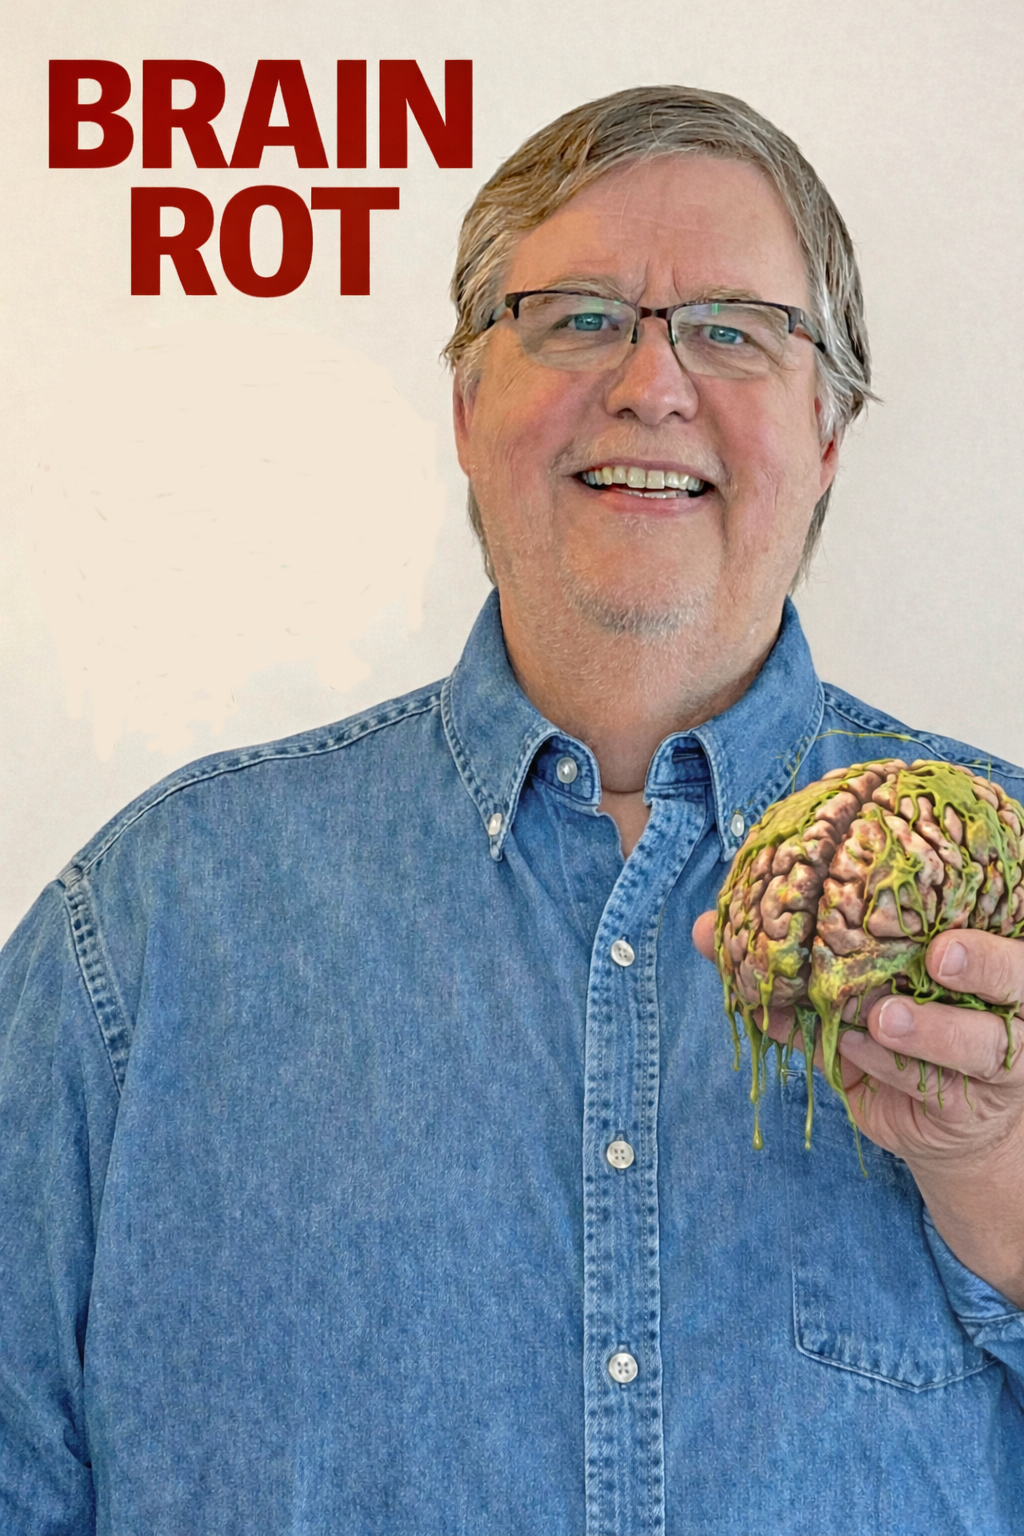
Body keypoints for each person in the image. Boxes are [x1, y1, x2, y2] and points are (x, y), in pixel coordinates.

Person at [1, 84, 1021, 1536]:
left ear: (832, 429)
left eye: (734, 326)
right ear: (470, 406)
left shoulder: (1010, 915)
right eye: (579, 315)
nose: (654, 383)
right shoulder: (154, 926)